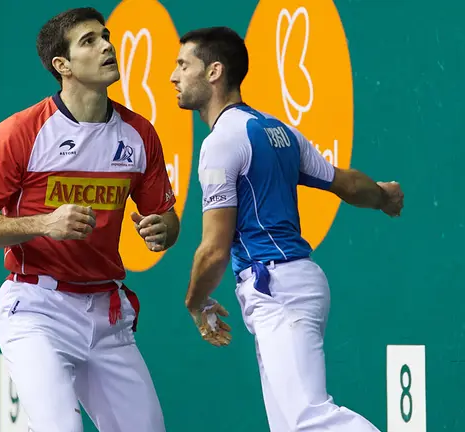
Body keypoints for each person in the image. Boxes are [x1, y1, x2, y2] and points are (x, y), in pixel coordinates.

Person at [0, 7, 179, 432]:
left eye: (106, 36)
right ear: (63, 66)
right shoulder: (21, 132)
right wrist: (43, 224)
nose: (107, 46)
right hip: (37, 310)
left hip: (107, 313)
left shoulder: (139, 134)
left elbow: (166, 221)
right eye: (89, 41)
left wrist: (162, 229)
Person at [170, 26, 403, 432]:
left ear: (214, 72)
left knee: (308, 418)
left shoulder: (222, 141)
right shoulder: (279, 132)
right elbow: (347, 184)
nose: (174, 76)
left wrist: (195, 302)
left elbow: (213, 249)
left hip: (277, 287)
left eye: (183, 65)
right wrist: (382, 196)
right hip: (291, 284)